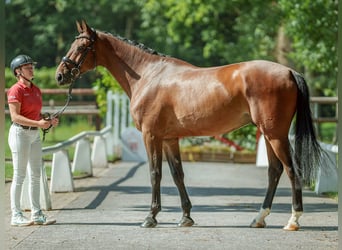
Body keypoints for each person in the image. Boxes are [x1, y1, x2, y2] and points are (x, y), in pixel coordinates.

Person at [7, 54, 59, 226]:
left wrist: (48, 120)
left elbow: (35, 114)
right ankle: (16, 215)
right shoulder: (16, 90)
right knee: (19, 175)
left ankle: (36, 214)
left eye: (32, 66)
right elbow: (15, 117)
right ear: (18, 71)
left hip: (34, 135)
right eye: (28, 67)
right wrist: (38, 123)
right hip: (20, 134)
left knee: (36, 175)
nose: (32, 69)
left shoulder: (36, 89)